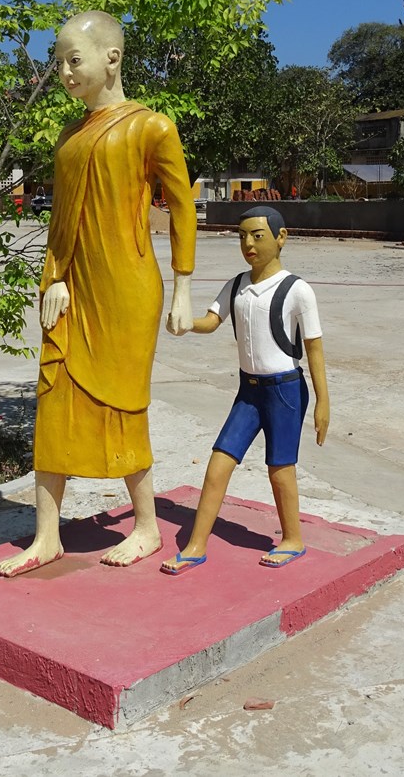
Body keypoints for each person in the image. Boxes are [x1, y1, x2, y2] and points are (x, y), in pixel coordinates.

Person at [0, 10, 196, 577]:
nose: (63, 72)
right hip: (74, 286)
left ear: (112, 57)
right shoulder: (70, 134)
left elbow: (182, 208)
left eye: (73, 59)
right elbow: (61, 218)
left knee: (124, 404)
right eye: (58, 61)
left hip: (128, 289)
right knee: (53, 398)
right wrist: (53, 278)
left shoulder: (150, 127)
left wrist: (183, 287)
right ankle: (47, 535)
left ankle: (149, 525)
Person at [160, 205, 330, 574]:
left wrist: (322, 403)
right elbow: (212, 320)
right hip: (248, 391)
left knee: (280, 468)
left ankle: (293, 538)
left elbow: (314, 348)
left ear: (280, 238)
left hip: (285, 390)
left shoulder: (297, 290)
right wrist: (187, 323)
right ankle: (195, 545)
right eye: (242, 236)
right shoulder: (237, 285)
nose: (248, 244)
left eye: (257, 235)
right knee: (219, 463)